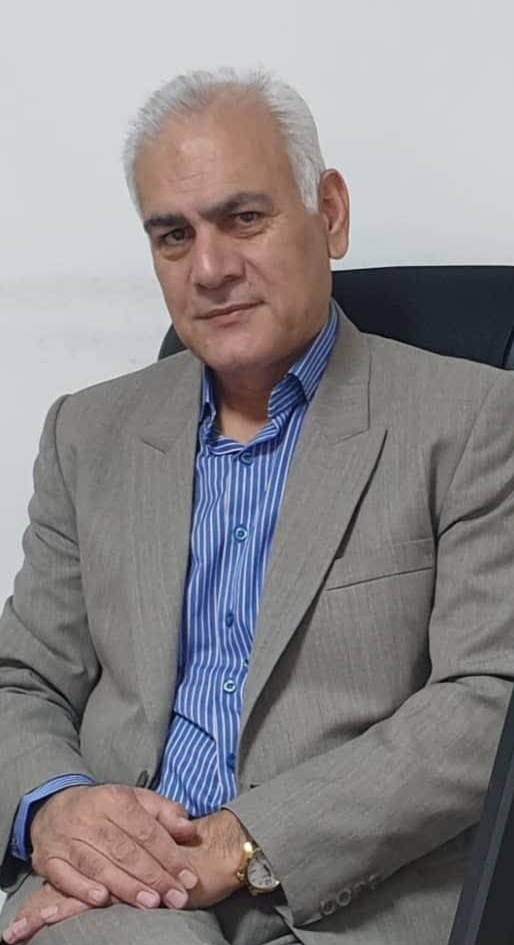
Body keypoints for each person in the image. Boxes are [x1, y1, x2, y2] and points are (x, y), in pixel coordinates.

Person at [1, 66, 514, 945]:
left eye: (244, 218)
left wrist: (244, 841)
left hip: (345, 902)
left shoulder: (473, 419)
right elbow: (22, 680)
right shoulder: (87, 433)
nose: (209, 269)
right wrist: (58, 809)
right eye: (173, 235)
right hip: (118, 902)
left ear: (331, 214)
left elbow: (488, 699)